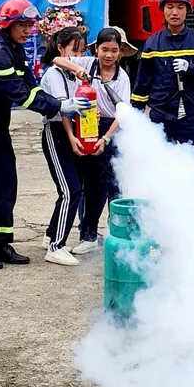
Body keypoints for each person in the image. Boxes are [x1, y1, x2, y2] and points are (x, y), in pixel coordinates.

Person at [0, 0, 91, 270]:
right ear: (8, 25)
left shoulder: (15, 50)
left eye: (30, 25)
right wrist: (61, 105)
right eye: (23, 25)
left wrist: (55, 101)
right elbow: (20, 95)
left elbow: (31, 85)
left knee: (6, 185)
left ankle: (2, 242)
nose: (29, 30)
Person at [49, 26, 134, 255]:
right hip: (86, 123)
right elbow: (57, 59)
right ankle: (88, 235)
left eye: (114, 50)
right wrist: (77, 68)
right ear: (96, 49)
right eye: (104, 49)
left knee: (114, 185)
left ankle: (119, 236)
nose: (108, 55)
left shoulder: (122, 78)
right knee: (92, 186)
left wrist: (106, 138)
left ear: (120, 53)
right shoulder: (88, 64)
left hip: (112, 129)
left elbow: (122, 113)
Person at [130, 0, 194, 154]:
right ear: (163, 10)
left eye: (180, 7)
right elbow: (142, 82)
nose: (175, 12)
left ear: (188, 10)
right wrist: (136, 112)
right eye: (169, 7)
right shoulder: (152, 44)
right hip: (161, 115)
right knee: (161, 162)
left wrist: (191, 68)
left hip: (191, 115)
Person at [37, 27, 93, 266]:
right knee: (70, 191)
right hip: (57, 132)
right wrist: (71, 137)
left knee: (74, 187)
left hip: (73, 131)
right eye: (74, 51)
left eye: (82, 52)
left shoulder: (74, 74)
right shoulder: (54, 74)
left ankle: (51, 233)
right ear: (61, 49)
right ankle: (56, 246)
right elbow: (63, 108)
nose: (78, 57)